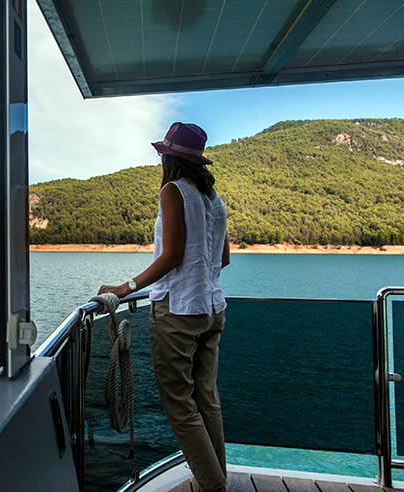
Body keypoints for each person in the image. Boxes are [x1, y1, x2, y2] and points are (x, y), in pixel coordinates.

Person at [97, 122, 230, 492]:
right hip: (212, 308)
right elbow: (225, 258)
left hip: (179, 311)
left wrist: (126, 288)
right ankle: (216, 479)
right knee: (207, 400)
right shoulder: (212, 198)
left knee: (180, 406)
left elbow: (170, 256)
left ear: (168, 159)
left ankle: (213, 486)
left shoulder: (173, 191)